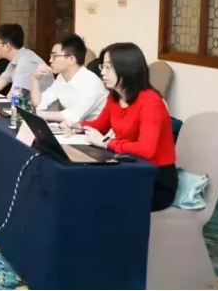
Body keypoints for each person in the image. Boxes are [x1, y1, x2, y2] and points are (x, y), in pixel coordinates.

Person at [63, 42, 178, 212]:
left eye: (108, 67)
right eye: (103, 66)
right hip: (127, 166)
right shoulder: (115, 97)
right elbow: (99, 126)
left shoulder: (150, 102)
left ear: (126, 69)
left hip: (154, 178)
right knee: (81, 186)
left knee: (95, 196)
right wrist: (77, 126)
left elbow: (147, 150)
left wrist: (106, 143)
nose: (102, 72)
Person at [30, 34, 108, 123]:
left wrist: (36, 114)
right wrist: (35, 79)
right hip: (73, 127)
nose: (50, 60)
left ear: (71, 59)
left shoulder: (91, 82)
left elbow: (73, 116)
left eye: (55, 56)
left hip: (96, 129)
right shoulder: (61, 77)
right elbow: (39, 104)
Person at [0, 24, 52, 94]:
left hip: (44, 101)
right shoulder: (15, 60)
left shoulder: (26, 62)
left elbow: (14, 96)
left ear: (6, 46)